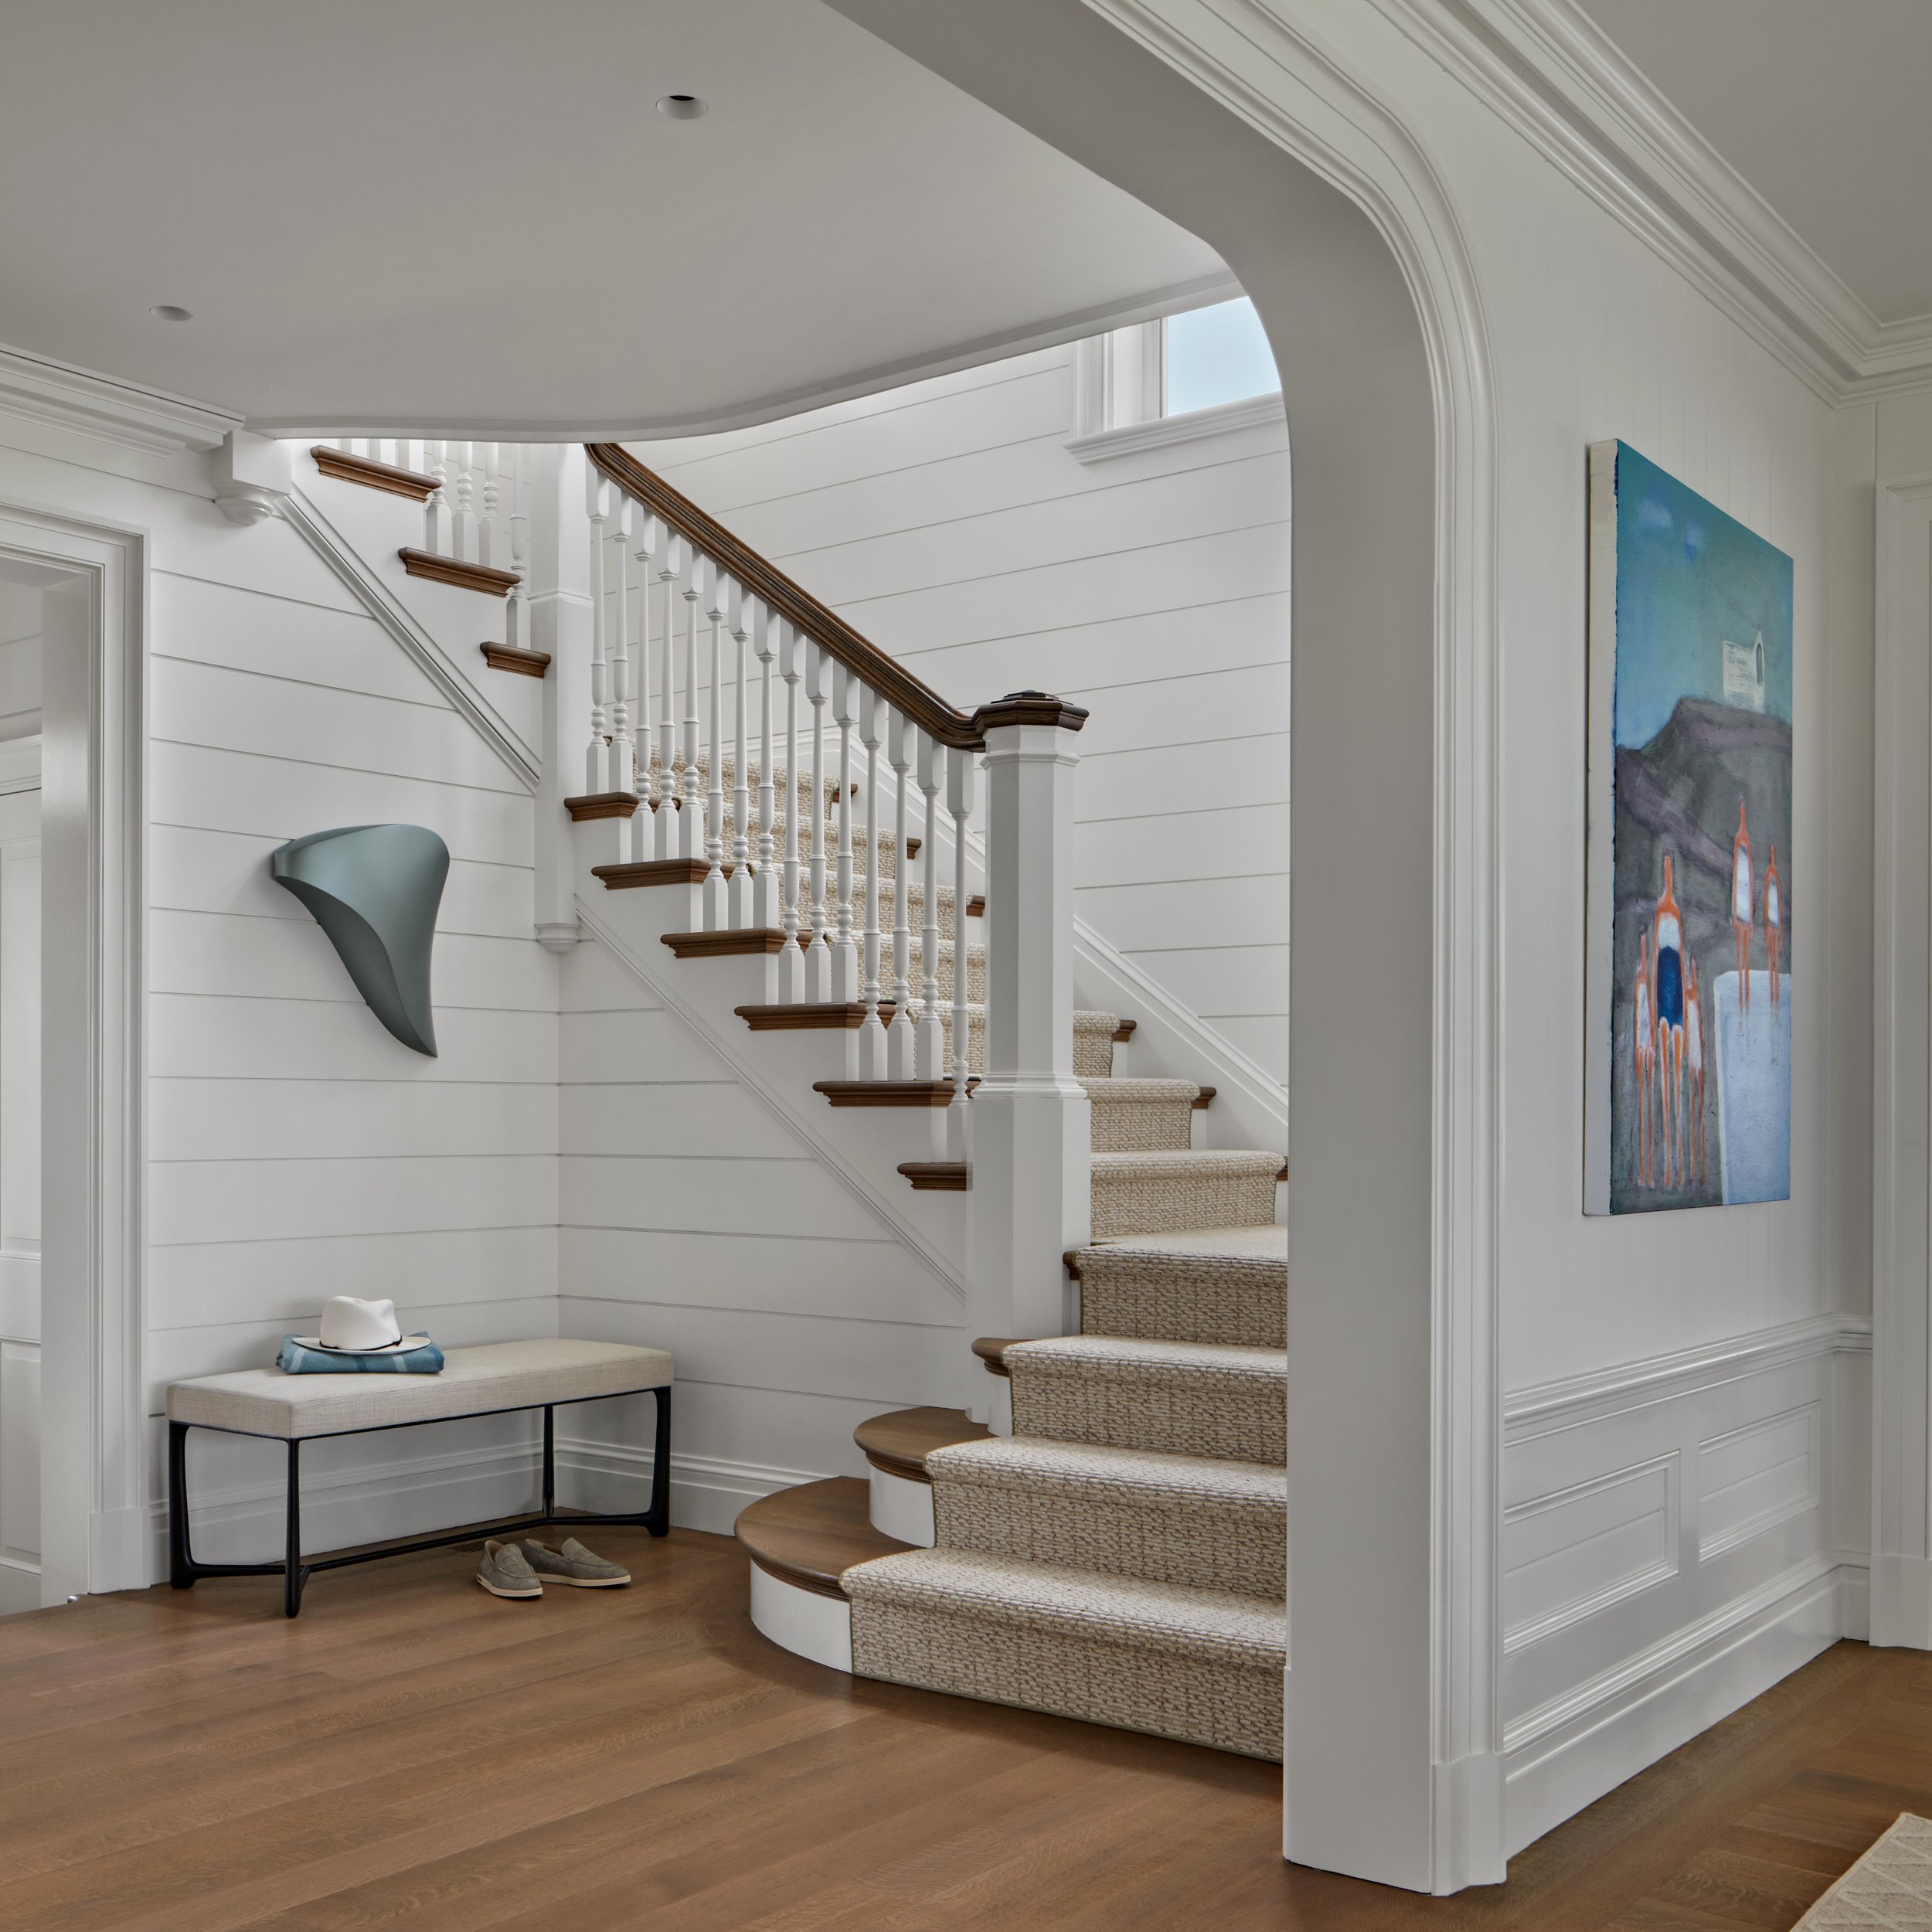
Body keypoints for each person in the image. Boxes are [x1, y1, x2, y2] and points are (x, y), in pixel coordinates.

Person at [1654, 855, 1686, 1189]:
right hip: (1666, 992)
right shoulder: (1664, 914)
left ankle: (1674, 1161)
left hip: (1673, 995)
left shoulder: (1673, 915)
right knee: (1667, 1071)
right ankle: (1666, 1164)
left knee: (1675, 1073)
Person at [1633, 932, 1655, 1189]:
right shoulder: (1642, 981)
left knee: (1645, 1098)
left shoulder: (1645, 981)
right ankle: (1644, 1171)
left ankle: (1647, 1171)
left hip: (1648, 1042)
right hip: (1644, 1044)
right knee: (1642, 1097)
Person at [1684, 955, 1705, 1188]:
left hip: (1694, 1057)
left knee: (1696, 1107)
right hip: (1691, 1055)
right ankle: (1692, 1171)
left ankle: (1696, 1171)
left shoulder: (1694, 997)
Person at [1731, 800, 1753, 1013]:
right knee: (1740, 950)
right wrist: (1735, 912)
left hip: (1745, 907)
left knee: (1745, 948)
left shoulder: (1744, 841)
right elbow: (1736, 879)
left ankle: (1746, 992)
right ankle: (1741, 993)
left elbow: (1750, 876)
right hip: (1740, 907)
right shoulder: (1739, 842)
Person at [1764, 842, 1782, 1006]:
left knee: (1774, 956)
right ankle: (1773, 993)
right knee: (1772, 956)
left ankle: (1775, 994)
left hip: (1774, 925)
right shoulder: (1771, 875)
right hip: (1771, 925)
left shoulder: (1773, 875)